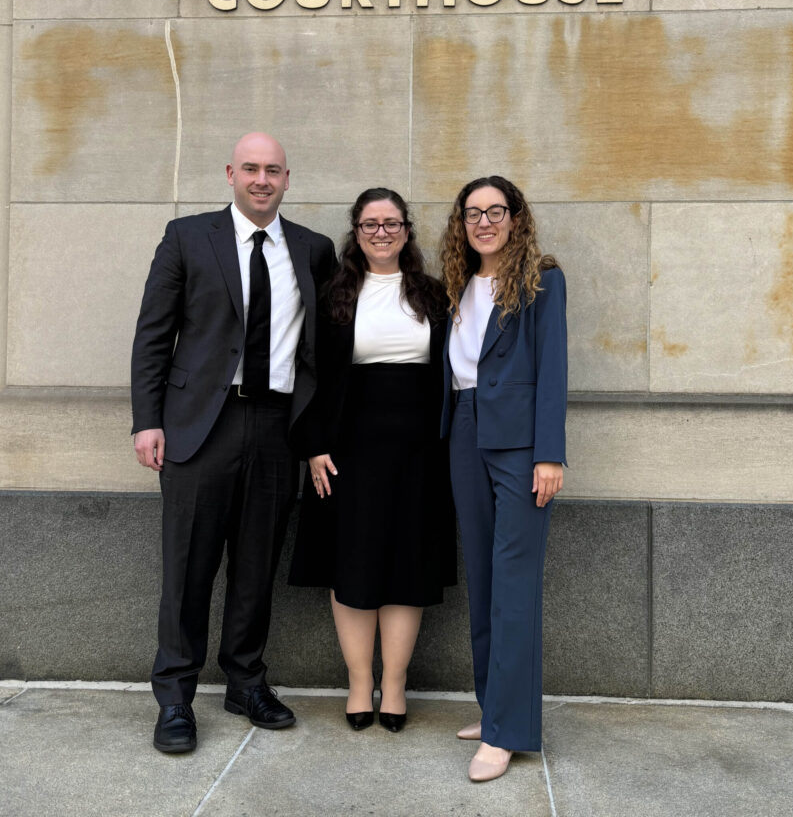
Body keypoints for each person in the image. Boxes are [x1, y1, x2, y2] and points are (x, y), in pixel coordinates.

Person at [131, 132, 336, 754]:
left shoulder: (313, 249)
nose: (261, 179)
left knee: (256, 563)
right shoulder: (188, 237)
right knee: (188, 567)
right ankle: (174, 696)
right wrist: (148, 420)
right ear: (230, 173)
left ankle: (246, 680)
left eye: (272, 170)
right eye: (250, 168)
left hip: (276, 427)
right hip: (200, 426)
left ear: (287, 178)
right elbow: (152, 335)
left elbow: (322, 352)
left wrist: (318, 433)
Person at [289, 188, 456, 732]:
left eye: (391, 223)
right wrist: (313, 445)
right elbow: (308, 374)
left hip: (419, 451)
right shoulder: (332, 294)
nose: (380, 232)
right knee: (353, 565)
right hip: (346, 451)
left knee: (407, 565)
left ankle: (397, 685)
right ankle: (361, 684)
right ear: (355, 232)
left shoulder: (434, 295)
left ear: (407, 230)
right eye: (369, 224)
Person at [439, 175, 567, 783]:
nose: (483, 221)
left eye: (495, 211)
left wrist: (550, 454)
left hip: (520, 447)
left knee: (514, 582)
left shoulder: (541, 278)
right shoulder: (458, 283)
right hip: (465, 430)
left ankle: (508, 732)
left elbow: (553, 367)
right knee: (486, 578)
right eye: (472, 213)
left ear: (516, 216)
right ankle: (494, 707)